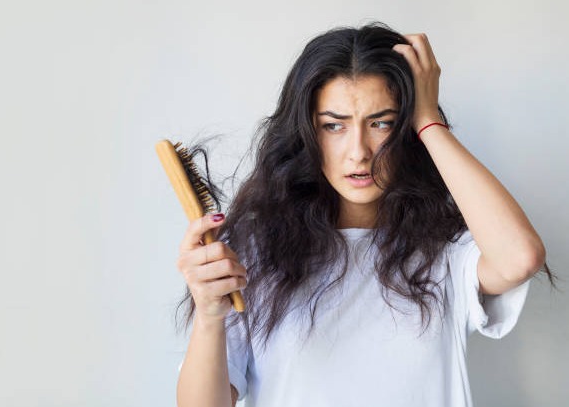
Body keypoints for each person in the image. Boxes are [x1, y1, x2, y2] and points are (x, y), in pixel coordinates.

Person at [174, 22, 552, 407]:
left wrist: (428, 119)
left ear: (405, 129)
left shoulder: (446, 252)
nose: (359, 152)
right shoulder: (253, 253)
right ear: (306, 132)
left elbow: (521, 257)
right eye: (334, 125)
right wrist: (209, 314)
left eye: (381, 123)